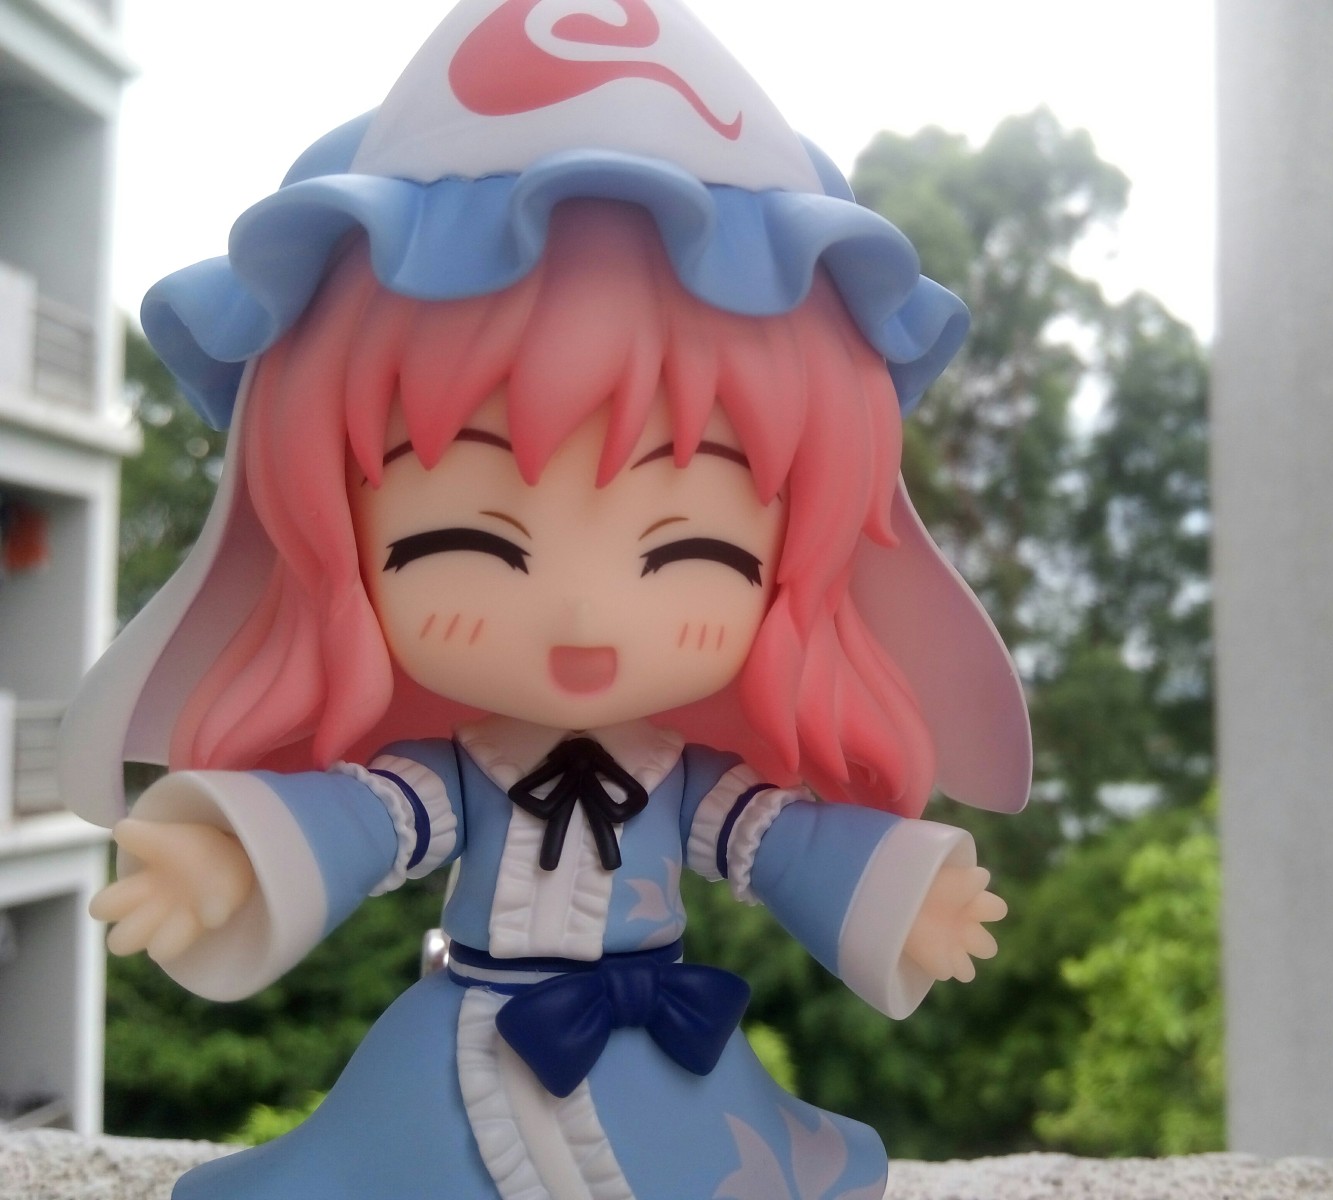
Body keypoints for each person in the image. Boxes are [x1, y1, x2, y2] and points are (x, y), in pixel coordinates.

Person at [64, 3, 1030, 1197]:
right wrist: (227, 862)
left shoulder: (689, 784)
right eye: (469, 542)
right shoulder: (454, 773)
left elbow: (784, 845)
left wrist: (908, 894)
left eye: (691, 554)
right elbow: (360, 826)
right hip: (467, 1038)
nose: (583, 618)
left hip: (666, 1064)